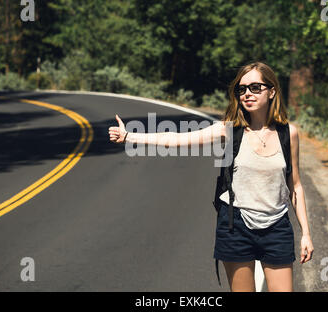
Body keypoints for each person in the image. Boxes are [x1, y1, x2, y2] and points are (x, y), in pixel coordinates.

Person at [108, 62, 314, 292]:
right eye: (242, 89)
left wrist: (305, 233)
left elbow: (295, 186)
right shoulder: (229, 130)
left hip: (276, 226)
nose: (247, 93)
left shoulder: (289, 133)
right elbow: (178, 139)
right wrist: (129, 136)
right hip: (235, 226)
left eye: (256, 87)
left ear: (272, 90)